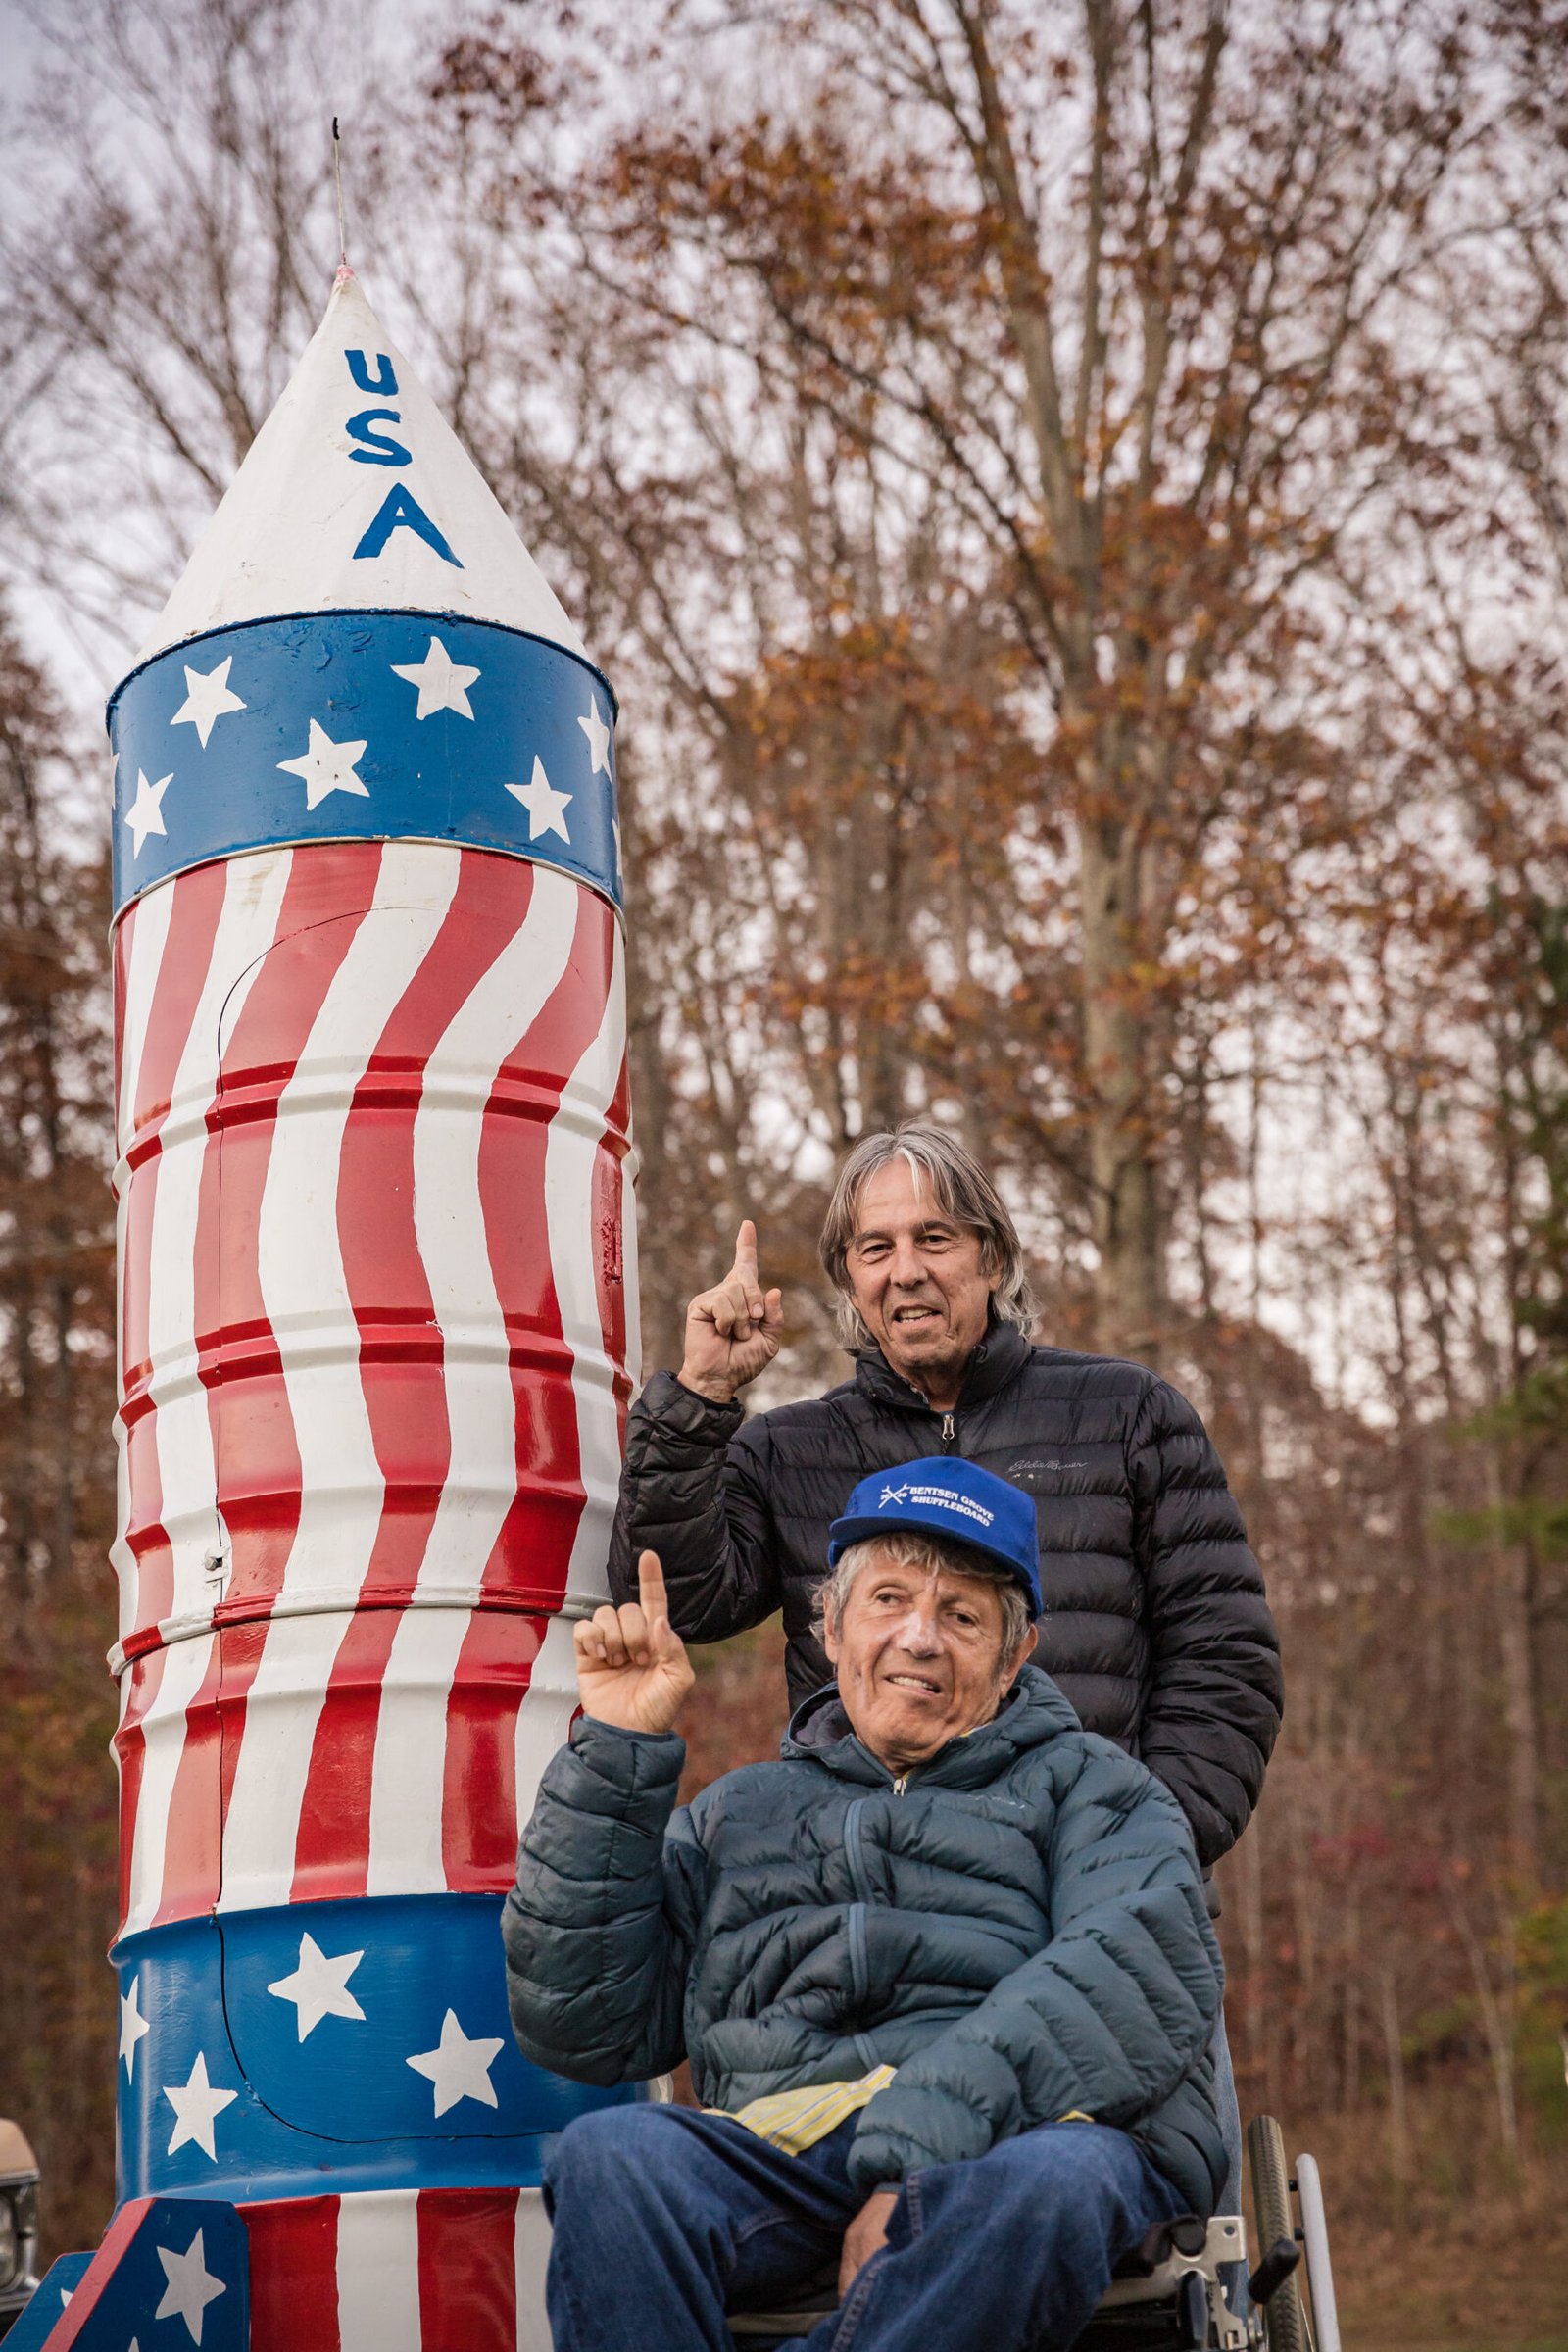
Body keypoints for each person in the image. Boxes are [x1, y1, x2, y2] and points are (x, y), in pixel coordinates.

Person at [506, 1461, 1227, 2352]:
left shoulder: (1099, 1789)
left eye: (963, 1616)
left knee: (1057, 2179)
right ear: (834, 1629)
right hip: (786, 2156)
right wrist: (618, 1747)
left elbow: (1131, 1973)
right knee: (612, 2159)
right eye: (889, 1600)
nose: (920, 1639)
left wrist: (912, 2157)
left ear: (1016, 1657)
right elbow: (583, 2024)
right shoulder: (738, 1812)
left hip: (1020, 2148)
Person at [610, 1121, 1282, 1875]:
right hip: (863, 1903)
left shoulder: (1128, 1413)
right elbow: (676, 1600)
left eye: (935, 1238)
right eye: (876, 1248)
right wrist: (700, 1396)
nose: (906, 1271)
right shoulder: (788, 1451)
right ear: (850, 1281)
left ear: (991, 1256)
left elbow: (1226, 1660)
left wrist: (1142, 1849)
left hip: (1092, 1899)